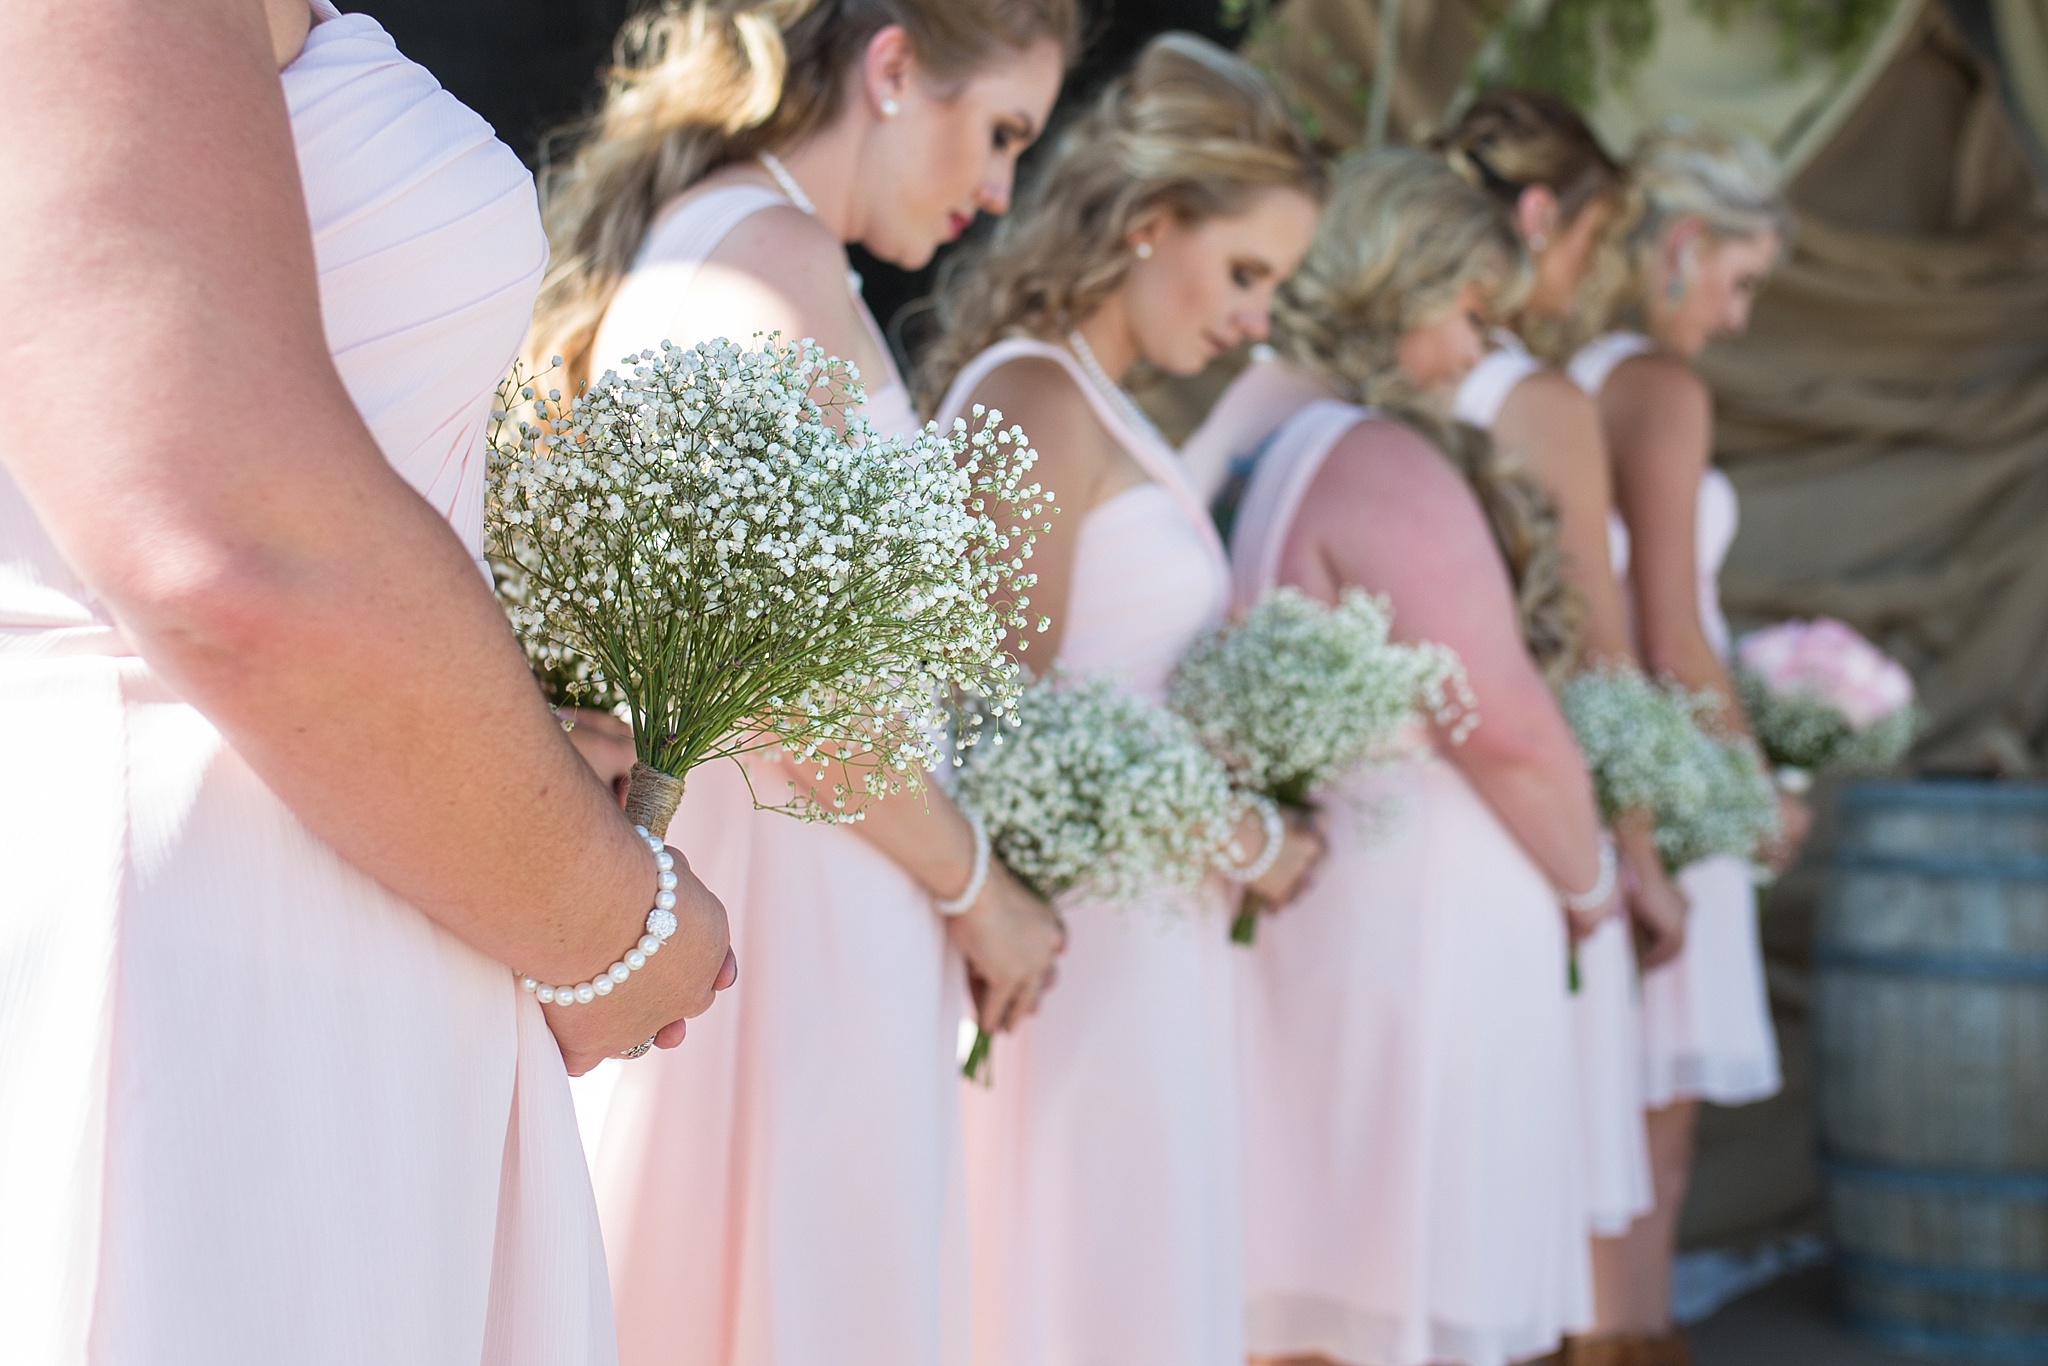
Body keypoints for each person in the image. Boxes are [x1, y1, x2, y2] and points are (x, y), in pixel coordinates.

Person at [0, 1, 736, 1362]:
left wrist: (502, 744)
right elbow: (226, 543)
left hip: (340, 926)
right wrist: (611, 922)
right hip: (191, 968)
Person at [526, 3, 1077, 1363]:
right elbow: (774, 685)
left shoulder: (759, 249)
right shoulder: (758, 267)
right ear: (894, 70)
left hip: (805, 924)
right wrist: (978, 889)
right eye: (1000, 130)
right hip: (785, 953)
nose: (1004, 189)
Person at [920, 34, 1326, 1366]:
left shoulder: (1100, 402)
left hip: (1145, 951)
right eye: (1246, 270)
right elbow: (991, 721)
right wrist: (1243, 839)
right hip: (1078, 959)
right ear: (1151, 226)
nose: (1256, 317)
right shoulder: (1035, 396)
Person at [1183, 145, 1614, 1366]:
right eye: (1468, 311)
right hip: (1419, 953)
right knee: (1408, 1299)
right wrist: (1590, 887)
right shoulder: (1377, 459)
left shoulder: (1277, 440)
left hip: (1350, 935)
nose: (1479, 349)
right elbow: (1511, 726)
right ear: (1399, 282)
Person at [1551, 123, 1815, 1363]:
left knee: (1593, 1102)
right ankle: (1632, 1340)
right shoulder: (1655, 387)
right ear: (1680, 243)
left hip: (1599, 764)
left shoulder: (1559, 371)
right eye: (1739, 278)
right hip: (1664, 769)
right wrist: (1755, 788)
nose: (1741, 314)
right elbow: (1668, 627)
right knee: (1654, 1119)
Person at [1436, 90, 1687, 1337]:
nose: (1581, 275)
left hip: (1360, 819)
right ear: (1538, 217)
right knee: (1521, 1228)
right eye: (1589, 242)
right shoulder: (1530, 399)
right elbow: (1599, 654)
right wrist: (1633, 854)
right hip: (1519, 841)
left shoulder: (1342, 366)